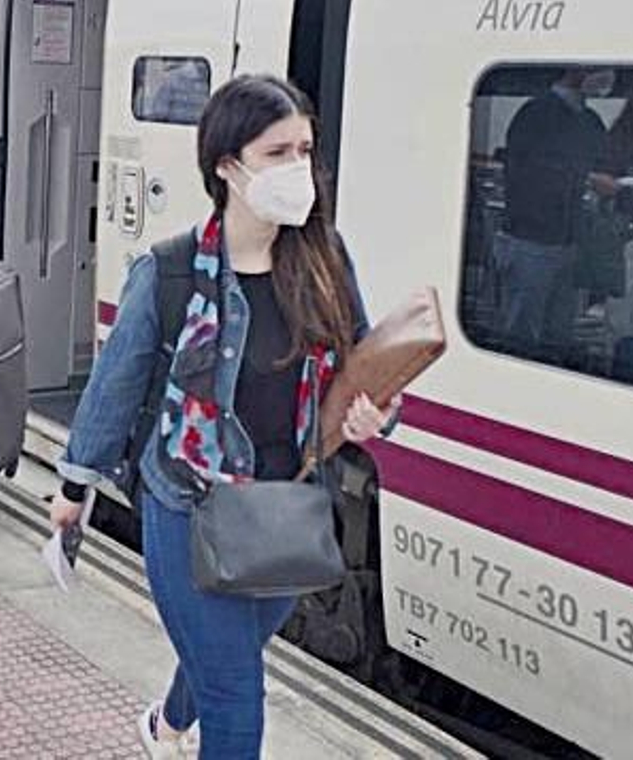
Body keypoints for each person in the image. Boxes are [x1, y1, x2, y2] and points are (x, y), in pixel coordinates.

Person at [48, 75, 397, 757]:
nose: (300, 170)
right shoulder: (172, 271)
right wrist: (72, 490)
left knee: (226, 654)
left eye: (305, 150)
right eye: (278, 153)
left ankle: (165, 722)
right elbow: (115, 385)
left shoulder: (326, 260)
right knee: (238, 698)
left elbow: (365, 366)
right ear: (227, 165)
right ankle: (187, 722)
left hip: (286, 502)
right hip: (187, 504)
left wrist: (376, 415)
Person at [493, 67, 618, 358]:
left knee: (558, 336)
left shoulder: (590, 121)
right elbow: (523, 173)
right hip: (530, 241)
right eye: (599, 69)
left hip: (570, 243)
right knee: (521, 334)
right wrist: (585, 179)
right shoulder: (535, 113)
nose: (607, 77)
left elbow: (608, 170)